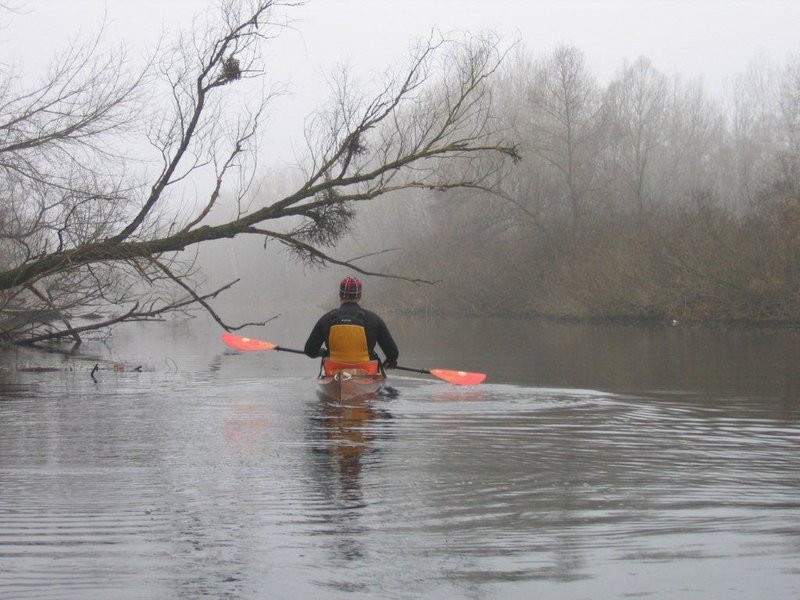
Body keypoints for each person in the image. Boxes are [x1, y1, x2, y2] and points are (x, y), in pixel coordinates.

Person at [304, 276, 399, 372]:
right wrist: (389, 362)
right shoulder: (374, 319)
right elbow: (393, 354)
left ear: (340, 294)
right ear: (359, 296)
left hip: (334, 372)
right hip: (365, 372)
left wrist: (323, 353)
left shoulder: (326, 319)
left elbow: (310, 351)